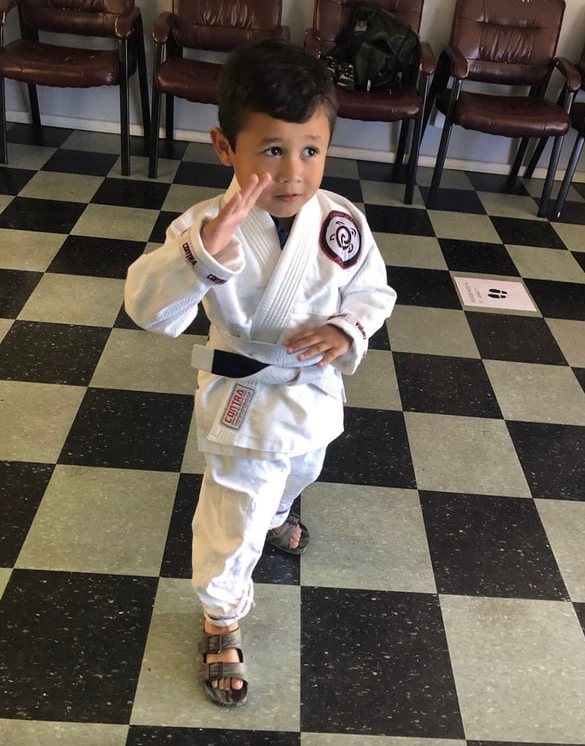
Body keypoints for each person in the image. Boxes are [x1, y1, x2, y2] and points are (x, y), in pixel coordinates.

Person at [124, 38, 396, 708]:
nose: (294, 172)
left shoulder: (342, 221)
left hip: (313, 388)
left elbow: (374, 290)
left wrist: (346, 327)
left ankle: (279, 512)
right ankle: (222, 617)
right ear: (226, 147)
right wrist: (202, 256)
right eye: (272, 150)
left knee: (302, 469)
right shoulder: (203, 226)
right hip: (243, 391)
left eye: (311, 150)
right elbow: (148, 309)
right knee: (232, 514)